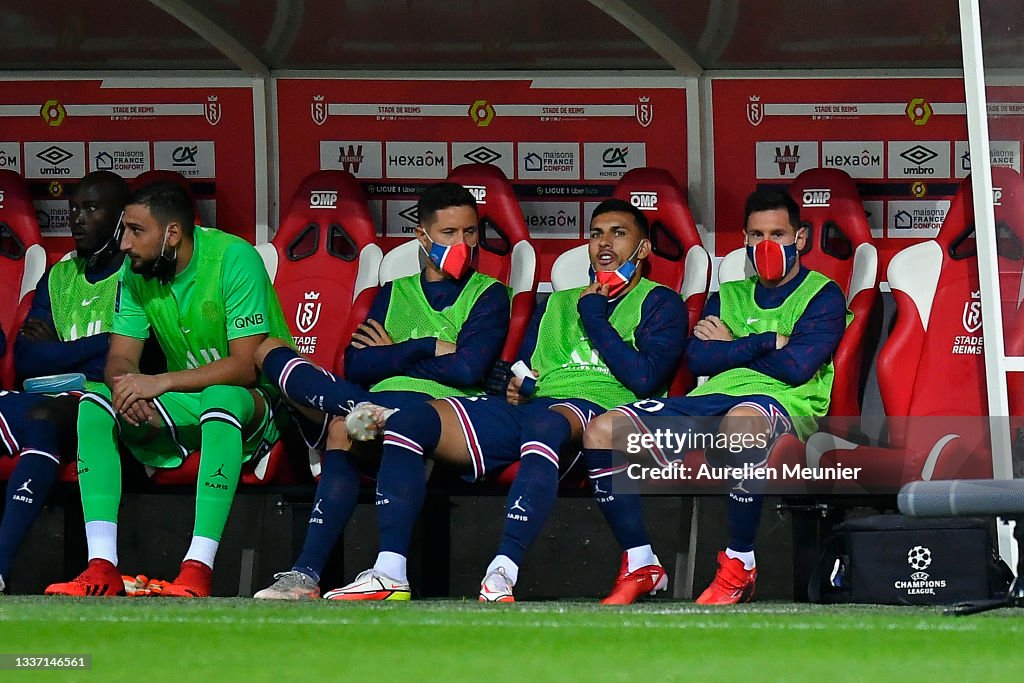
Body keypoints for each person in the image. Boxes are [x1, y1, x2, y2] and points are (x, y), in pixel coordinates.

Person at [321, 198, 688, 602]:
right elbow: (524, 368)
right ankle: (389, 572)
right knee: (409, 423)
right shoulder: (559, 303)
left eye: (619, 234)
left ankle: (503, 571)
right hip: (539, 407)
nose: (605, 244)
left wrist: (595, 315)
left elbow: (643, 378)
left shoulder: (662, 302)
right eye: (596, 233)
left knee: (544, 422)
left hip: (604, 411)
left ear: (643, 248)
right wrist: (518, 383)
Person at [582, 189, 848, 605]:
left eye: (778, 234)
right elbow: (697, 354)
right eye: (757, 235)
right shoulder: (729, 294)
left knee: (741, 423)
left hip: (781, 404)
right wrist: (764, 341)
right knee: (601, 431)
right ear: (744, 239)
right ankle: (640, 562)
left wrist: (732, 348)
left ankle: (740, 563)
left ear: (799, 238)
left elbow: (797, 368)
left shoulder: (823, 294)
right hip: (709, 398)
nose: (767, 246)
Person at [252, 182, 509, 600]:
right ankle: (304, 581)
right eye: (449, 233)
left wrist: (392, 353)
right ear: (422, 237)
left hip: (434, 414)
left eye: (470, 232)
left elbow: (467, 367)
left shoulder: (490, 294)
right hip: (373, 404)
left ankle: (306, 572)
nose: (462, 243)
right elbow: (357, 363)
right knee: (271, 351)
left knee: (342, 428)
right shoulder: (394, 292)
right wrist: (424, 346)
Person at [45, 180, 292, 598]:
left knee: (221, 397)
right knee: (96, 400)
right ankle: (101, 566)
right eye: (124, 230)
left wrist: (159, 382)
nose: (124, 243)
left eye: (136, 231)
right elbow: (120, 357)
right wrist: (126, 389)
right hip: (185, 401)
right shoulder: (137, 269)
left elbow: (245, 366)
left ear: (173, 234)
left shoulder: (234, 258)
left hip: (257, 403)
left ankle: (197, 570)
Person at [0, 171, 130, 594]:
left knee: (44, 415)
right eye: (73, 208)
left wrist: (63, 347)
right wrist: (96, 346)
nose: (76, 218)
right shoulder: (59, 275)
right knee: (32, 408)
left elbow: (126, 357)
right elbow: (24, 357)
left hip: (103, 403)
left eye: (91, 209)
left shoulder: (136, 273)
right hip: (44, 392)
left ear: (120, 218)